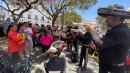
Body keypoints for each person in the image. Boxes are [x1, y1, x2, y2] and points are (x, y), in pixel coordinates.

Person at [87, 5, 130, 73]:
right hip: (108, 67)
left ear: (116, 18)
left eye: (108, 16)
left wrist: (92, 30)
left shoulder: (121, 31)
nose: (106, 19)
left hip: (113, 69)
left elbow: (100, 44)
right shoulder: (117, 29)